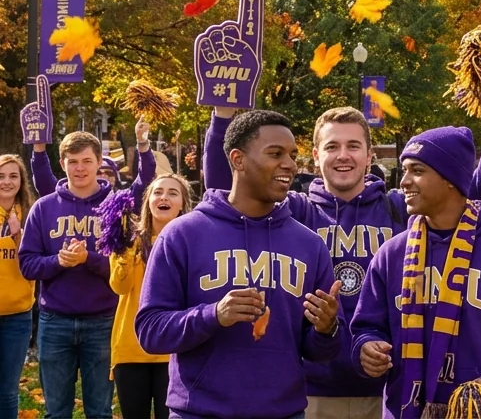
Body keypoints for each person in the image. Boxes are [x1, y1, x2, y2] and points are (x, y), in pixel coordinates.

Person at [201, 60, 481, 419]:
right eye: (332, 146)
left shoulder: (403, 210)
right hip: (309, 389)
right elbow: (226, 185)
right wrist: (223, 109)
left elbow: (479, 188)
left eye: (353, 145)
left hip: (391, 390)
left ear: (370, 156)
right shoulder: (293, 214)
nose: (343, 155)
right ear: (315, 156)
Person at [136, 110, 342, 419]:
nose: (289, 163)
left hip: (283, 412)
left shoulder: (309, 245)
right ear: (237, 159)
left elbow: (318, 352)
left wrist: (327, 330)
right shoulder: (182, 235)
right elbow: (151, 332)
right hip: (199, 412)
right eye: (275, 153)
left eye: (292, 155)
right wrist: (214, 315)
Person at [351, 126, 481, 419]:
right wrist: (366, 347)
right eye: (404, 171)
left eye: (416, 171)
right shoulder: (391, 254)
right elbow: (366, 327)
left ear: (450, 179)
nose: (404, 182)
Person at [19, 126, 155, 419]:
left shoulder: (115, 207)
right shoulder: (43, 208)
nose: (79, 168)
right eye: (73, 161)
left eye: (86, 161)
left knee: (100, 410)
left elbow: (123, 268)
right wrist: (60, 262)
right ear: (63, 164)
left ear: (98, 163)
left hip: (103, 320)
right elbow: (27, 264)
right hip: (54, 321)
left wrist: (88, 259)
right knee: (56, 411)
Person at [108, 175, 194, 419]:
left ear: (183, 204)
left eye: (172, 193)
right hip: (130, 348)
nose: (164, 197)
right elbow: (119, 287)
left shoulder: (191, 241)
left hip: (173, 348)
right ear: (148, 202)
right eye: (158, 192)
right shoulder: (125, 240)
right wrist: (124, 250)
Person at [1, 154, 36, 419]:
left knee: (7, 391)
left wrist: (18, 236)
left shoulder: (30, 213)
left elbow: (34, 261)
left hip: (17, 316)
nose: (7, 181)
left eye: (13, 176)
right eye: (1, 176)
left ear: (21, 180)